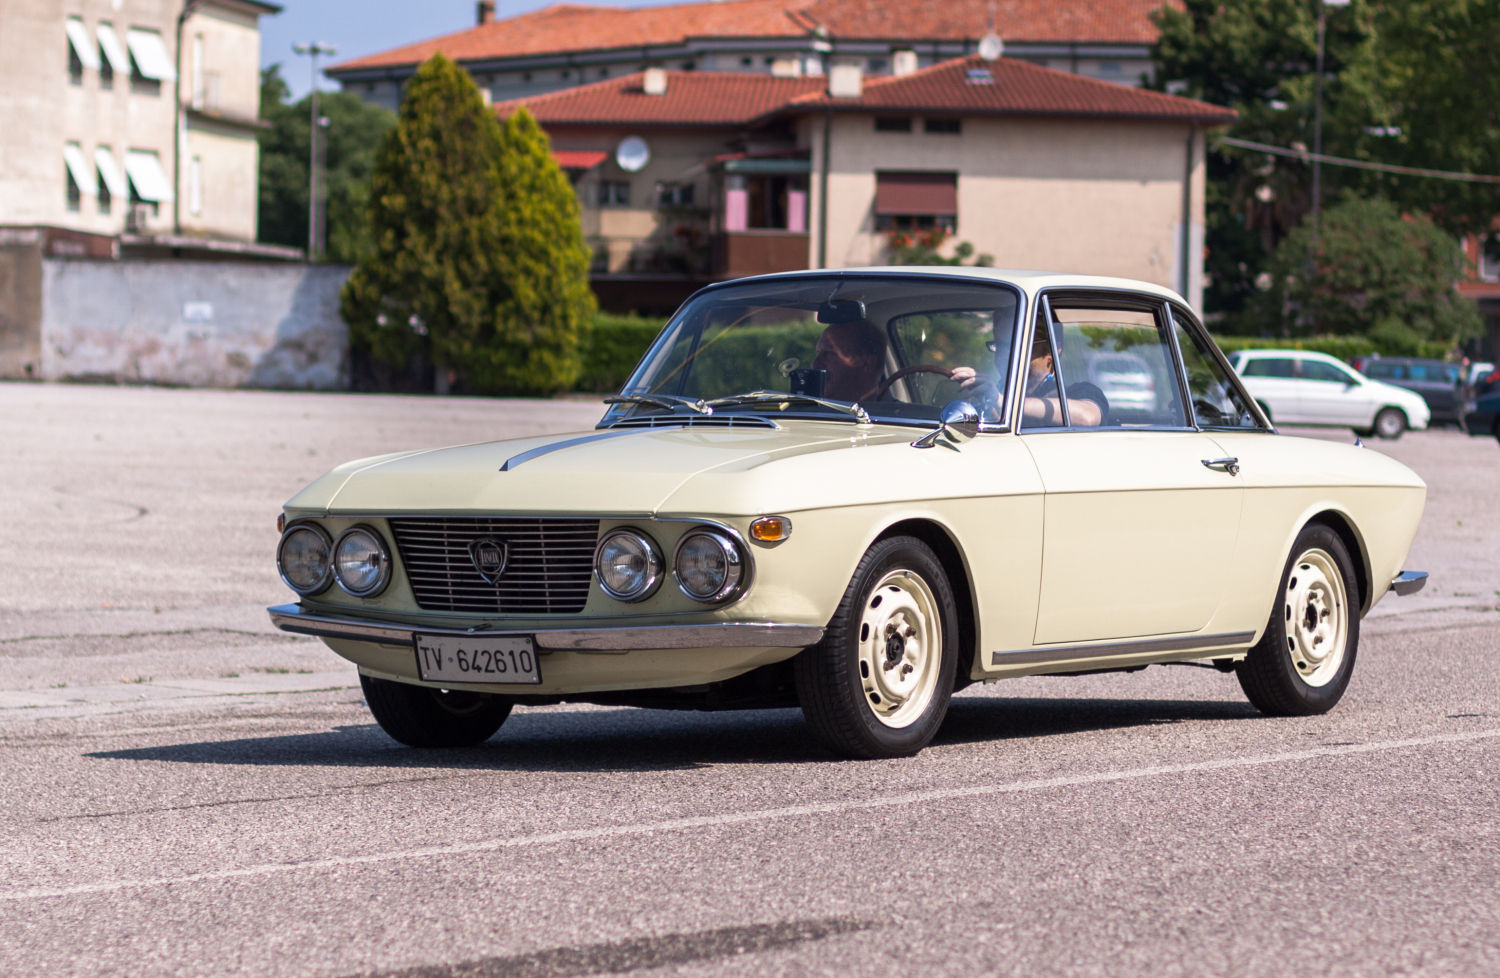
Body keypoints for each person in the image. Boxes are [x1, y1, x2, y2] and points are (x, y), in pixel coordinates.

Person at [1020, 329, 1107, 427]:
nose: (1013, 351)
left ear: (1053, 350)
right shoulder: (1003, 389)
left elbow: (1087, 416)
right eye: (1004, 344)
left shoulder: (1076, 392)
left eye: (1027, 344)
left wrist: (1010, 406)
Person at [811, 321, 886, 401]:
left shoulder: (890, 412)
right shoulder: (811, 410)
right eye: (819, 353)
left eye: (830, 353)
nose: (815, 364)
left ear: (867, 363)